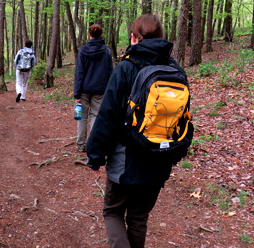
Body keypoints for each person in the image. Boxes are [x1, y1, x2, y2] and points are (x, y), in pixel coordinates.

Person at [86, 14, 187, 248]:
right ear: (161, 37)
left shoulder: (125, 69)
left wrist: (95, 155)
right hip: (160, 160)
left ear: (133, 37)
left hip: (126, 162)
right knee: (138, 219)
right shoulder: (175, 70)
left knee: (112, 212)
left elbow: (107, 116)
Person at [73, 24, 113, 152]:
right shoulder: (106, 51)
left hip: (84, 89)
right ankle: (93, 144)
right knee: (96, 116)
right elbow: (110, 72)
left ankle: (80, 145)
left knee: (82, 117)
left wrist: (77, 93)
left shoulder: (83, 50)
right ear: (101, 35)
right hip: (100, 89)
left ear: (89, 35)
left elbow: (79, 73)